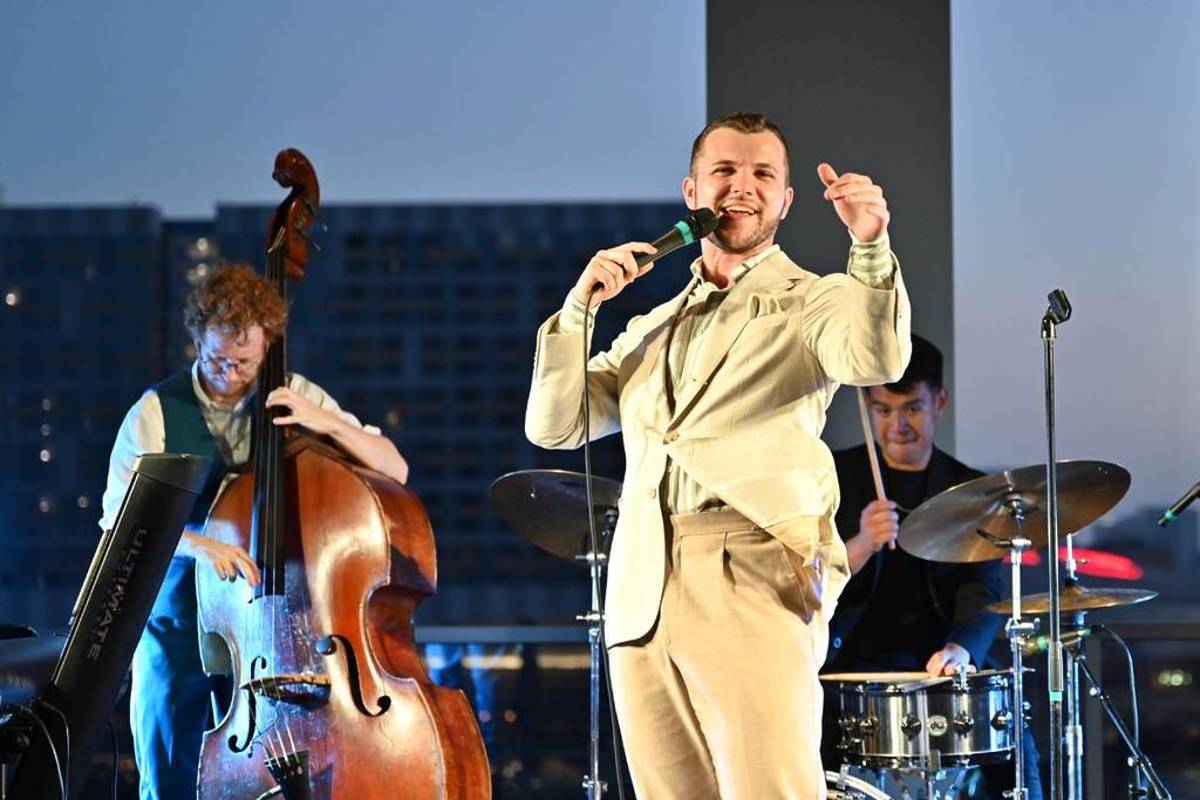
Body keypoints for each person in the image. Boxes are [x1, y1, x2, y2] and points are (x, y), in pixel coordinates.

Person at [525, 111, 911, 799]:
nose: (743, 186)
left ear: (786, 202)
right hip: (643, 585)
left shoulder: (810, 299)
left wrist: (871, 246)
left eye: (763, 174)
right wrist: (580, 308)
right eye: (725, 171)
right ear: (691, 191)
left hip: (752, 569)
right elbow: (555, 426)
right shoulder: (652, 324)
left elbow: (875, 354)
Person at [99, 263, 409, 800]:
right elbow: (116, 521)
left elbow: (395, 469)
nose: (230, 373)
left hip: (273, 633)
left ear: (267, 348)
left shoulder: (295, 392)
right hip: (178, 628)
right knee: (165, 775)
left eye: (246, 361)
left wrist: (324, 421)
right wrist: (199, 545)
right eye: (217, 358)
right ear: (197, 339)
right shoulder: (154, 411)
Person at [820, 334, 1042, 799]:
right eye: (883, 410)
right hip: (848, 666)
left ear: (938, 402)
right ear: (867, 407)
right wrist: (861, 543)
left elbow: (983, 587)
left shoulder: (970, 490)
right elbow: (805, 582)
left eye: (912, 409)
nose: (898, 424)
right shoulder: (833, 479)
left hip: (937, 661)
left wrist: (963, 649)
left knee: (1015, 737)